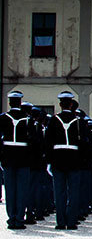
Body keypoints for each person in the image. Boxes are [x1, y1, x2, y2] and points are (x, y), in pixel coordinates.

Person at [44, 91, 87, 230]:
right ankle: (72, 221)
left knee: (59, 192)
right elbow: (84, 143)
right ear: (71, 104)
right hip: (74, 159)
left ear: (60, 105)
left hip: (58, 159)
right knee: (74, 192)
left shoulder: (54, 120)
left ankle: (60, 222)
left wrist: (49, 161)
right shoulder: (79, 121)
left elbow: (48, 142)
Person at [1, 91, 39, 230]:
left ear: (10, 103)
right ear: (20, 103)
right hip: (24, 159)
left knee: (10, 190)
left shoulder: (3, 118)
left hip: (8, 158)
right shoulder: (28, 120)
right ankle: (19, 219)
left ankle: (11, 219)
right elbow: (34, 141)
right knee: (22, 190)